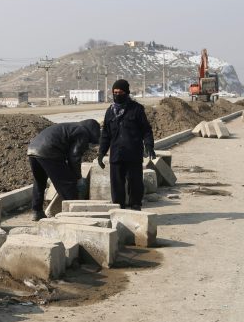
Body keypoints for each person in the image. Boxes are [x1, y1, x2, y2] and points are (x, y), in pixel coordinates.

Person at [27, 119, 101, 221]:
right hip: (49, 151)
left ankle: (37, 211)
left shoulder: (71, 127)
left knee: (39, 182)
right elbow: (74, 157)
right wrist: (77, 177)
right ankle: (74, 214)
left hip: (32, 149)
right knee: (68, 184)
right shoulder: (83, 132)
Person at [98, 79, 155, 210]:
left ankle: (135, 206)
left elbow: (146, 130)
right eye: (115, 92)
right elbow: (106, 134)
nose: (117, 95)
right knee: (117, 184)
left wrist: (149, 145)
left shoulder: (137, 109)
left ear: (127, 92)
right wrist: (101, 153)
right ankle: (119, 209)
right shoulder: (110, 111)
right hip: (116, 155)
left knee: (135, 183)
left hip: (133, 154)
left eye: (120, 92)